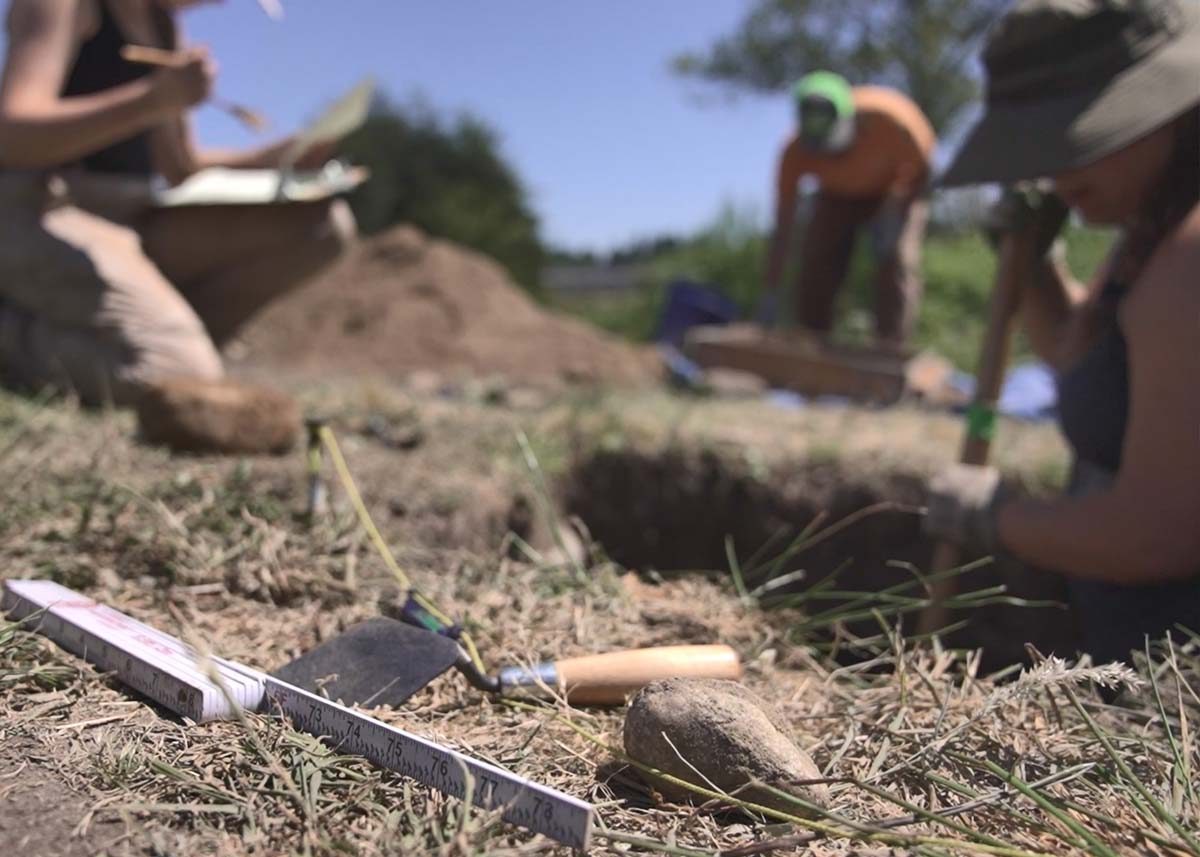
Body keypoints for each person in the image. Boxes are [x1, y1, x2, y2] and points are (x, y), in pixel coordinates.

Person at [926, 0, 1200, 664]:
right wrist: (1036, 266)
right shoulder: (1155, 224)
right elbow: (1085, 358)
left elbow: (1157, 532)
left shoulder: (1191, 253)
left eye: (1078, 141)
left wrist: (995, 517)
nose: (1058, 176)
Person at [0, 0, 356, 410]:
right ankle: (22, 335)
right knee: (172, 373)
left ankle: (173, 342)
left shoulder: (163, 26)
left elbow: (179, 166)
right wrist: (151, 100)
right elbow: (15, 138)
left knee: (322, 226)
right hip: (48, 208)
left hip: (133, 214)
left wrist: (283, 155)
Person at [762, 71, 935, 347]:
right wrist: (770, 291)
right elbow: (784, 224)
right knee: (816, 256)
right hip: (836, 196)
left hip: (894, 188)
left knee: (898, 258)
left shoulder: (893, 121)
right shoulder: (794, 152)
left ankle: (890, 348)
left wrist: (896, 213)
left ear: (852, 120)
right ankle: (812, 343)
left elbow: (923, 173)